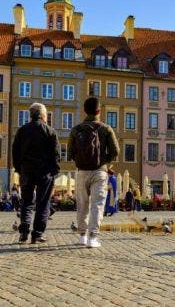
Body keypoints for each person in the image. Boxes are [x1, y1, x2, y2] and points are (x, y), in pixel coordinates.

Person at [70, 97, 119, 248]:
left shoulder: (76, 129)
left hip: (82, 171)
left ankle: (82, 236)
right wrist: (105, 162)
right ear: (99, 111)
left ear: (85, 110)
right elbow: (116, 151)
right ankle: (93, 237)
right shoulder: (105, 128)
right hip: (100, 171)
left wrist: (81, 160)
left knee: (82, 204)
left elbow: (71, 152)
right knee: (97, 204)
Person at [12, 103, 60, 244]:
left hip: (26, 170)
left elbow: (15, 151)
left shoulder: (22, 130)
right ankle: (37, 233)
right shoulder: (50, 131)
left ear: (30, 115)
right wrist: (54, 170)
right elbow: (56, 154)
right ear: (43, 116)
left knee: (26, 202)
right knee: (43, 202)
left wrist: (19, 168)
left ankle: (24, 232)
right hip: (45, 171)